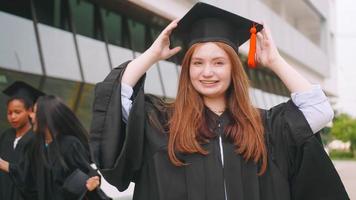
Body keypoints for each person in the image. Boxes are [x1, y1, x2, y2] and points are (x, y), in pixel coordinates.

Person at [90, 2, 349, 200]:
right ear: (187, 69)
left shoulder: (266, 126)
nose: (207, 72)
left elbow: (319, 110)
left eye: (218, 62)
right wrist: (151, 55)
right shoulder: (163, 124)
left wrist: (274, 62)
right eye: (198, 63)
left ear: (233, 69)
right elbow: (117, 97)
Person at [0, 95, 109, 200]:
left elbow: (87, 173)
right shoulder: (36, 146)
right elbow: (26, 175)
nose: (31, 116)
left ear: (46, 117)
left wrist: (92, 181)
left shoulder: (69, 145)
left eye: (35, 112)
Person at [0, 81, 43, 200]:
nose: (12, 117)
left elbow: (33, 176)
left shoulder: (36, 139)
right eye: (9, 113)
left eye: (17, 112)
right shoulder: (6, 135)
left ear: (30, 111)